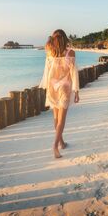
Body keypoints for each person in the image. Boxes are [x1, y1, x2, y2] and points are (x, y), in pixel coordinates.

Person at [40, 29, 80, 158]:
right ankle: (55, 145)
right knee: (61, 119)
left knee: (56, 117)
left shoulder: (50, 53)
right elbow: (74, 73)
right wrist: (76, 91)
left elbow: (46, 72)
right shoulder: (70, 53)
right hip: (64, 88)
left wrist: (46, 87)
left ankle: (61, 142)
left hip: (52, 88)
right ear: (65, 38)